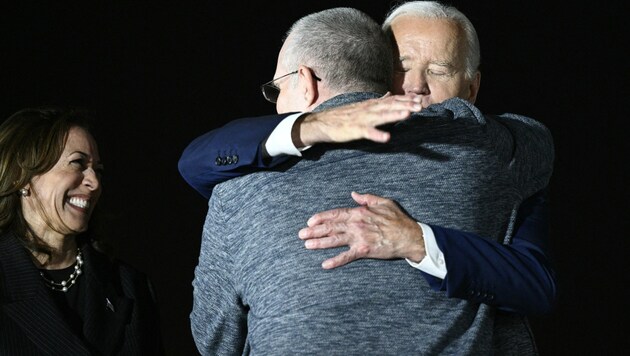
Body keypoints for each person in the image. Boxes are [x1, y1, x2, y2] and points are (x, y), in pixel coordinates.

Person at [190, 7, 553, 355]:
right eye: (400, 67)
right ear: (376, 69)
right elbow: (197, 160)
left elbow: (535, 284)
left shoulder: (489, 150)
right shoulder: (246, 171)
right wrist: (315, 125)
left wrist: (418, 240)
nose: (414, 87)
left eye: (439, 70)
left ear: (471, 90)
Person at [0, 108, 164, 355]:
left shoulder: (129, 286)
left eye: (98, 170)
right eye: (77, 163)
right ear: (22, 177)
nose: (94, 182)